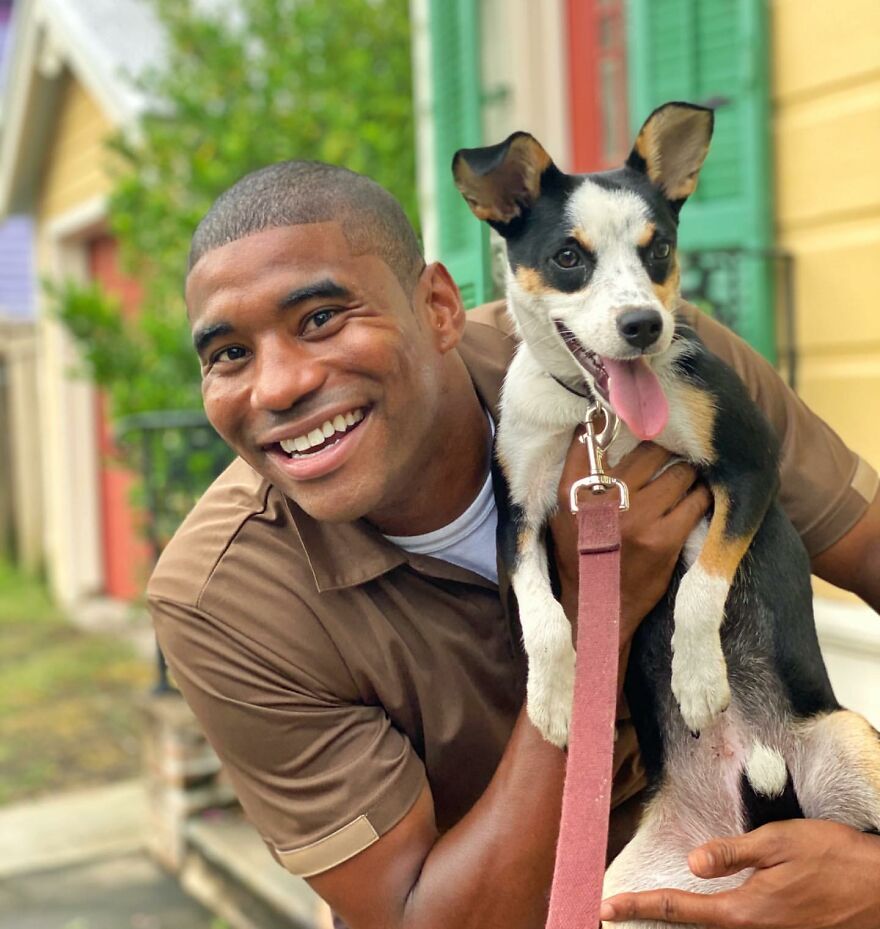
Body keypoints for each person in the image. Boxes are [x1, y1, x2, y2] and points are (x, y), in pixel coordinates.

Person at [148, 160, 880, 929]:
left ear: (437, 306)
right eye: (229, 353)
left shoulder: (651, 360)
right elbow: (421, 920)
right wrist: (598, 600)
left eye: (323, 317)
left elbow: (868, 548)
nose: (276, 387)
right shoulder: (223, 598)